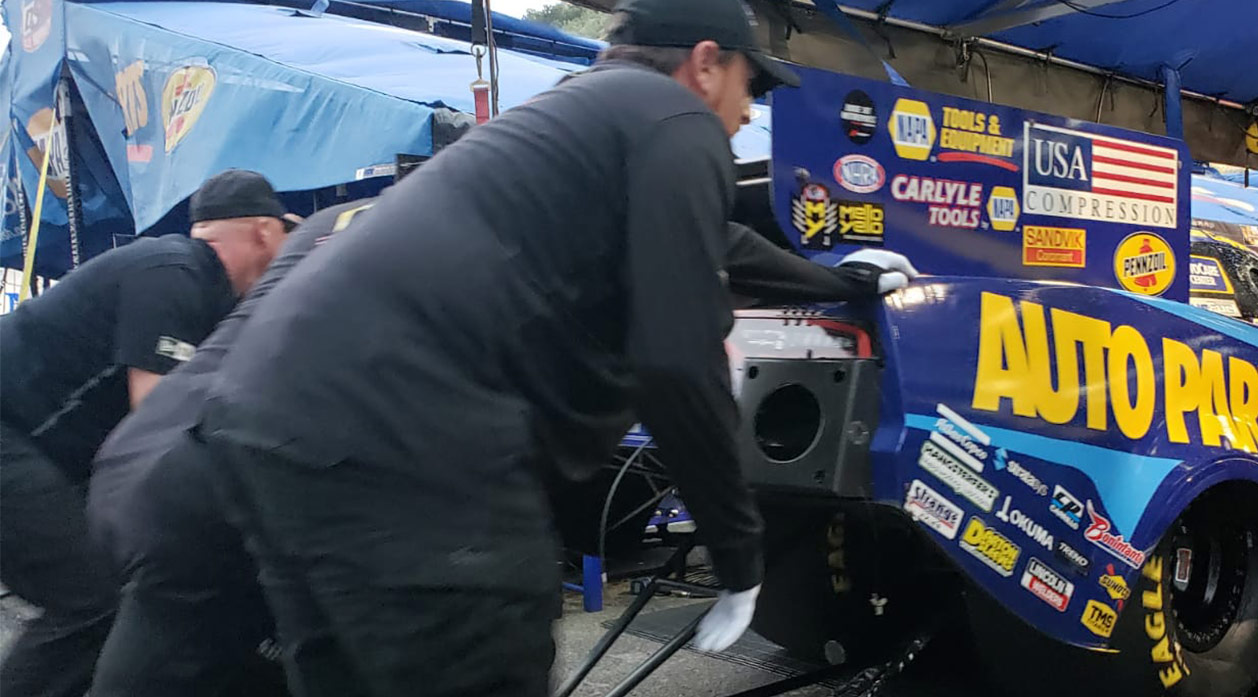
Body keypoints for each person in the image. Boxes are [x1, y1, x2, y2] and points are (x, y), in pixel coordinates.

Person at [184, 2, 861, 691]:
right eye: (751, 87)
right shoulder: (676, 116)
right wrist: (741, 550)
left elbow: (714, 238)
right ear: (706, 63)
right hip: (407, 443)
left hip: (264, 421)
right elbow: (676, 358)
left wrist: (835, 279)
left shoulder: (573, 118)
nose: (748, 114)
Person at [84, 193, 915, 695]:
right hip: (338, 487)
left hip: (167, 472)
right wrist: (835, 282)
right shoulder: (555, 223)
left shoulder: (358, 222)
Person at [0, 169, 289, 697]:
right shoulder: (175, 271)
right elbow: (158, 425)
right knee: (93, 601)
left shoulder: (206, 295)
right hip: (11, 435)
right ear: (266, 234)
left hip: (42, 448)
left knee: (124, 592)